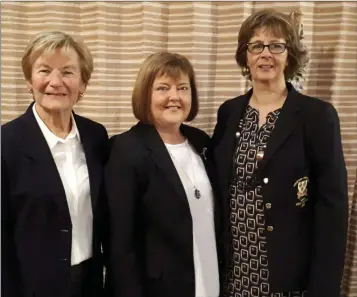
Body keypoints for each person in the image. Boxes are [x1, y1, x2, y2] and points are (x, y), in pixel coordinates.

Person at [211, 9, 348, 297]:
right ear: (245, 56)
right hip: (233, 272)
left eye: (276, 45)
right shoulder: (229, 112)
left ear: (290, 55)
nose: (265, 54)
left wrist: (323, 287)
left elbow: (331, 209)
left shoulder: (317, 116)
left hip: (288, 276)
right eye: (256, 45)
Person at [104, 52, 222, 297]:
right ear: (145, 94)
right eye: (163, 88)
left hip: (209, 279)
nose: (174, 97)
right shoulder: (126, 150)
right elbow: (121, 245)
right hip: (158, 288)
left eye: (182, 88)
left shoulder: (201, 142)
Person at [1, 31, 109, 297]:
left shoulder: (96, 136)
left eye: (68, 72)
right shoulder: (6, 142)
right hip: (31, 286)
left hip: (90, 280)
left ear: (83, 84)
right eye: (44, 70)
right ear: (29, 80)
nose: (55, 82)